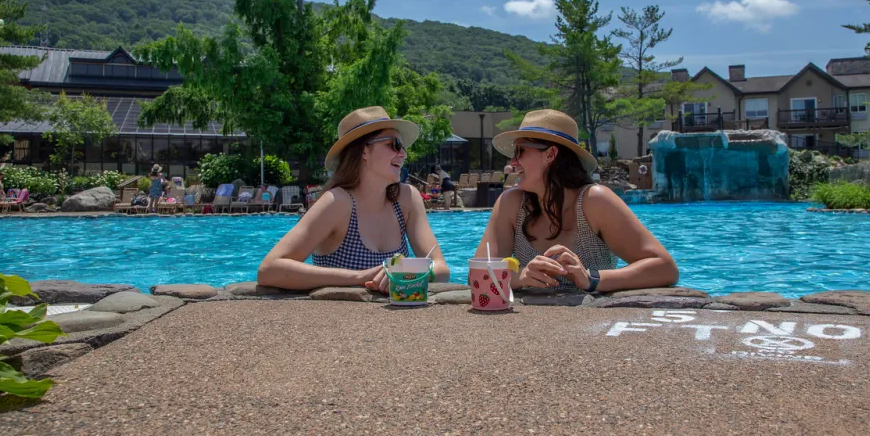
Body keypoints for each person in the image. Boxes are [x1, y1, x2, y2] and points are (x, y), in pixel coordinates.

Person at [474, 109, 678, 293]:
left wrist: (591, 278)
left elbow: (665, 268)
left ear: (551, 154)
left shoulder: (595, 201)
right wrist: (520, 277)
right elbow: (476, 274)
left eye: (520, 151)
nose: (511, 163)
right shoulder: (511, 204)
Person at [258, 106, 450, 291]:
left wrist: (413, 272)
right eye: (394, 144)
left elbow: (441, 269)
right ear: (364, 151)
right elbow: (269, 270)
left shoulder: (407, 199)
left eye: (402, 147)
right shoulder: (337, 203)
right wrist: (360, 278)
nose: (403, 153)